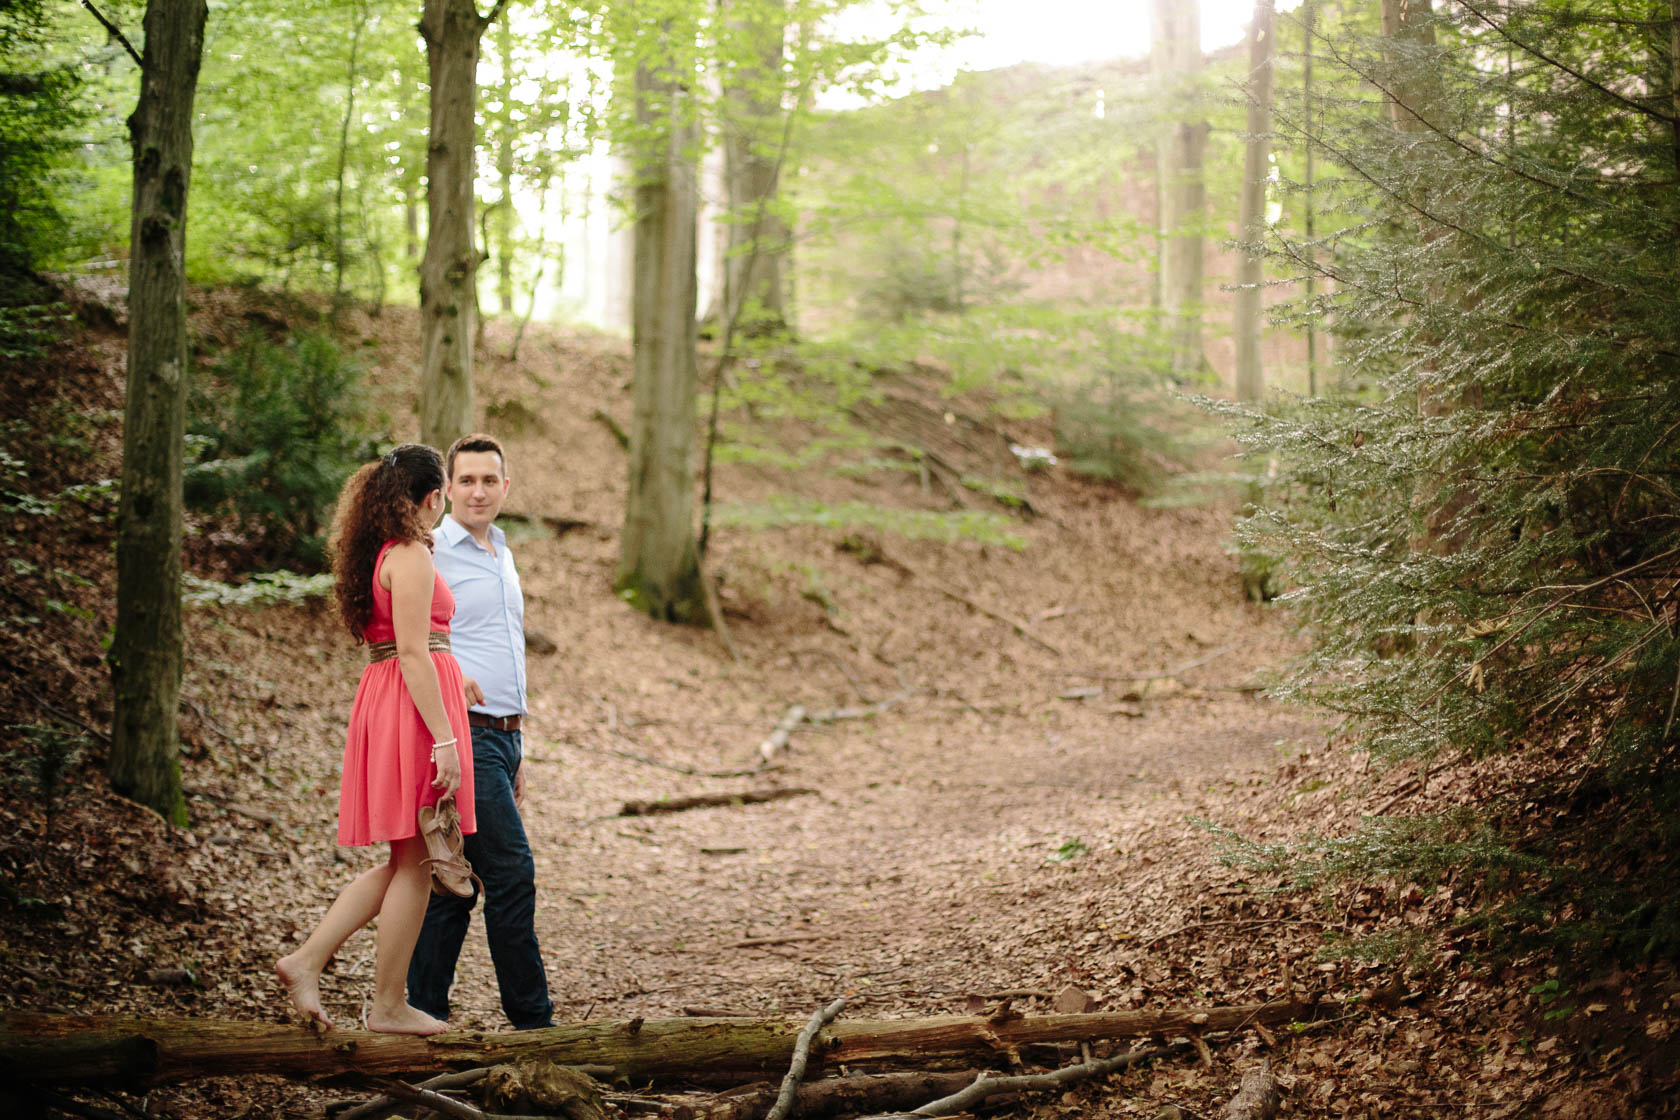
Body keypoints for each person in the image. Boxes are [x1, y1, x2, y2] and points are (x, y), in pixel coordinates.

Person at [276, 444, 476, 1035]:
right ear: (433, 497)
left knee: (406, 858)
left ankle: (307, 960)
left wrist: (453, 678)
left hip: (396, 700)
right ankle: (388, 1006)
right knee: (415, 861)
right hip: (412, 713)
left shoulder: (383, 550)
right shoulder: (411, 553)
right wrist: (445, 740)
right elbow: (413, 654)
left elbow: (409, 644)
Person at [407, 433, 554, 1030]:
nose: (478, 491)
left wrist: (520, 745)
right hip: (460, 732)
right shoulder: (431, 551)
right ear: (446, 489)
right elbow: (413, 640)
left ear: (505, 487)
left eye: (489, 480)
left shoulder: (504, 554)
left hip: (503, 735)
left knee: (454, 882)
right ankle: (534, 1025)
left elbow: (506, 648)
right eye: (465, 480)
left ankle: (419, 1011)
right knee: (512, 871)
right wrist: (453, 689)